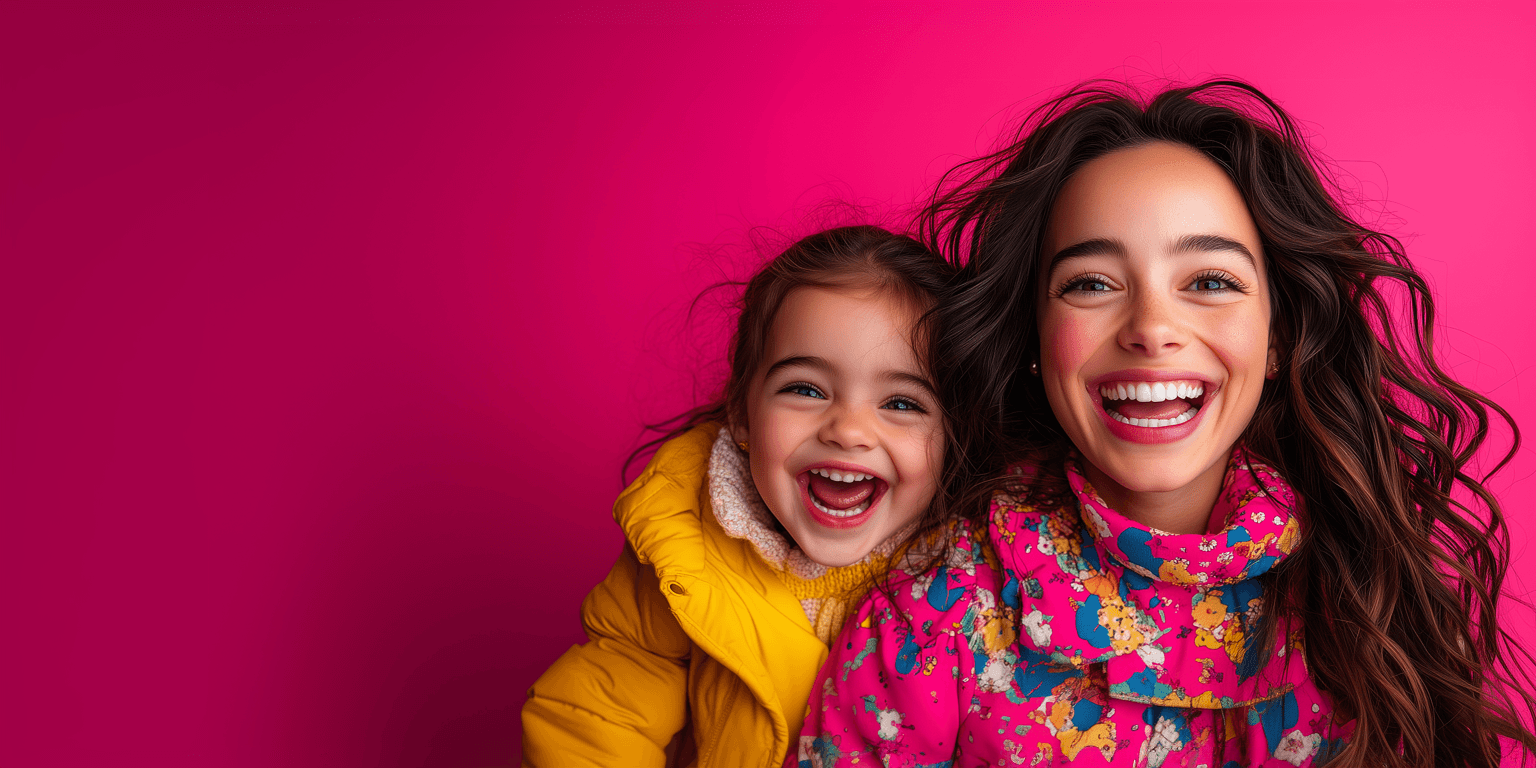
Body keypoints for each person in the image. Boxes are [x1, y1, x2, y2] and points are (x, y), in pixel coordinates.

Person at [793, 82, 1536, 767]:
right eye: (1091, 284)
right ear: (1030, 338)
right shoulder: (933, 616)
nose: (1151, 327)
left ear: (1278, 338)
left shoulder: (1370, 589)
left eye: (1210, 281)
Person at [522, 225, 960, 766]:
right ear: (741, 412)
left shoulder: (980, 573)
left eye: (901, 403)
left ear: (954, 433)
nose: (849, 431)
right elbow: (596, 722)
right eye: (805, 389)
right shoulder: (685, 554)